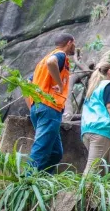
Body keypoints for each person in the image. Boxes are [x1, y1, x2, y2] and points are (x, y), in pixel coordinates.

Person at [27, 33, 76, 173]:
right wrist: (60, 85)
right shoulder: (60, 55)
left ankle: (42, 181)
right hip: (49, 107)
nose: (75, 47)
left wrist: (32, 107)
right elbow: (51, 62)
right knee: (40, 150)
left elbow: (28, 82)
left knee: (56, 153)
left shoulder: (41, 61)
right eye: (74, 44)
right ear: (69, 42)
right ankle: (26, 183)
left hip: (38, 107)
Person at [80, 63, 110, 174]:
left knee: (101, 170)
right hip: (100, 130)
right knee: (92, 169)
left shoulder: (94, 87)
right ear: (109, 71)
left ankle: (94, 191)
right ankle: (82, 191)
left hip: (87, 130)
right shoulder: (108, 85)